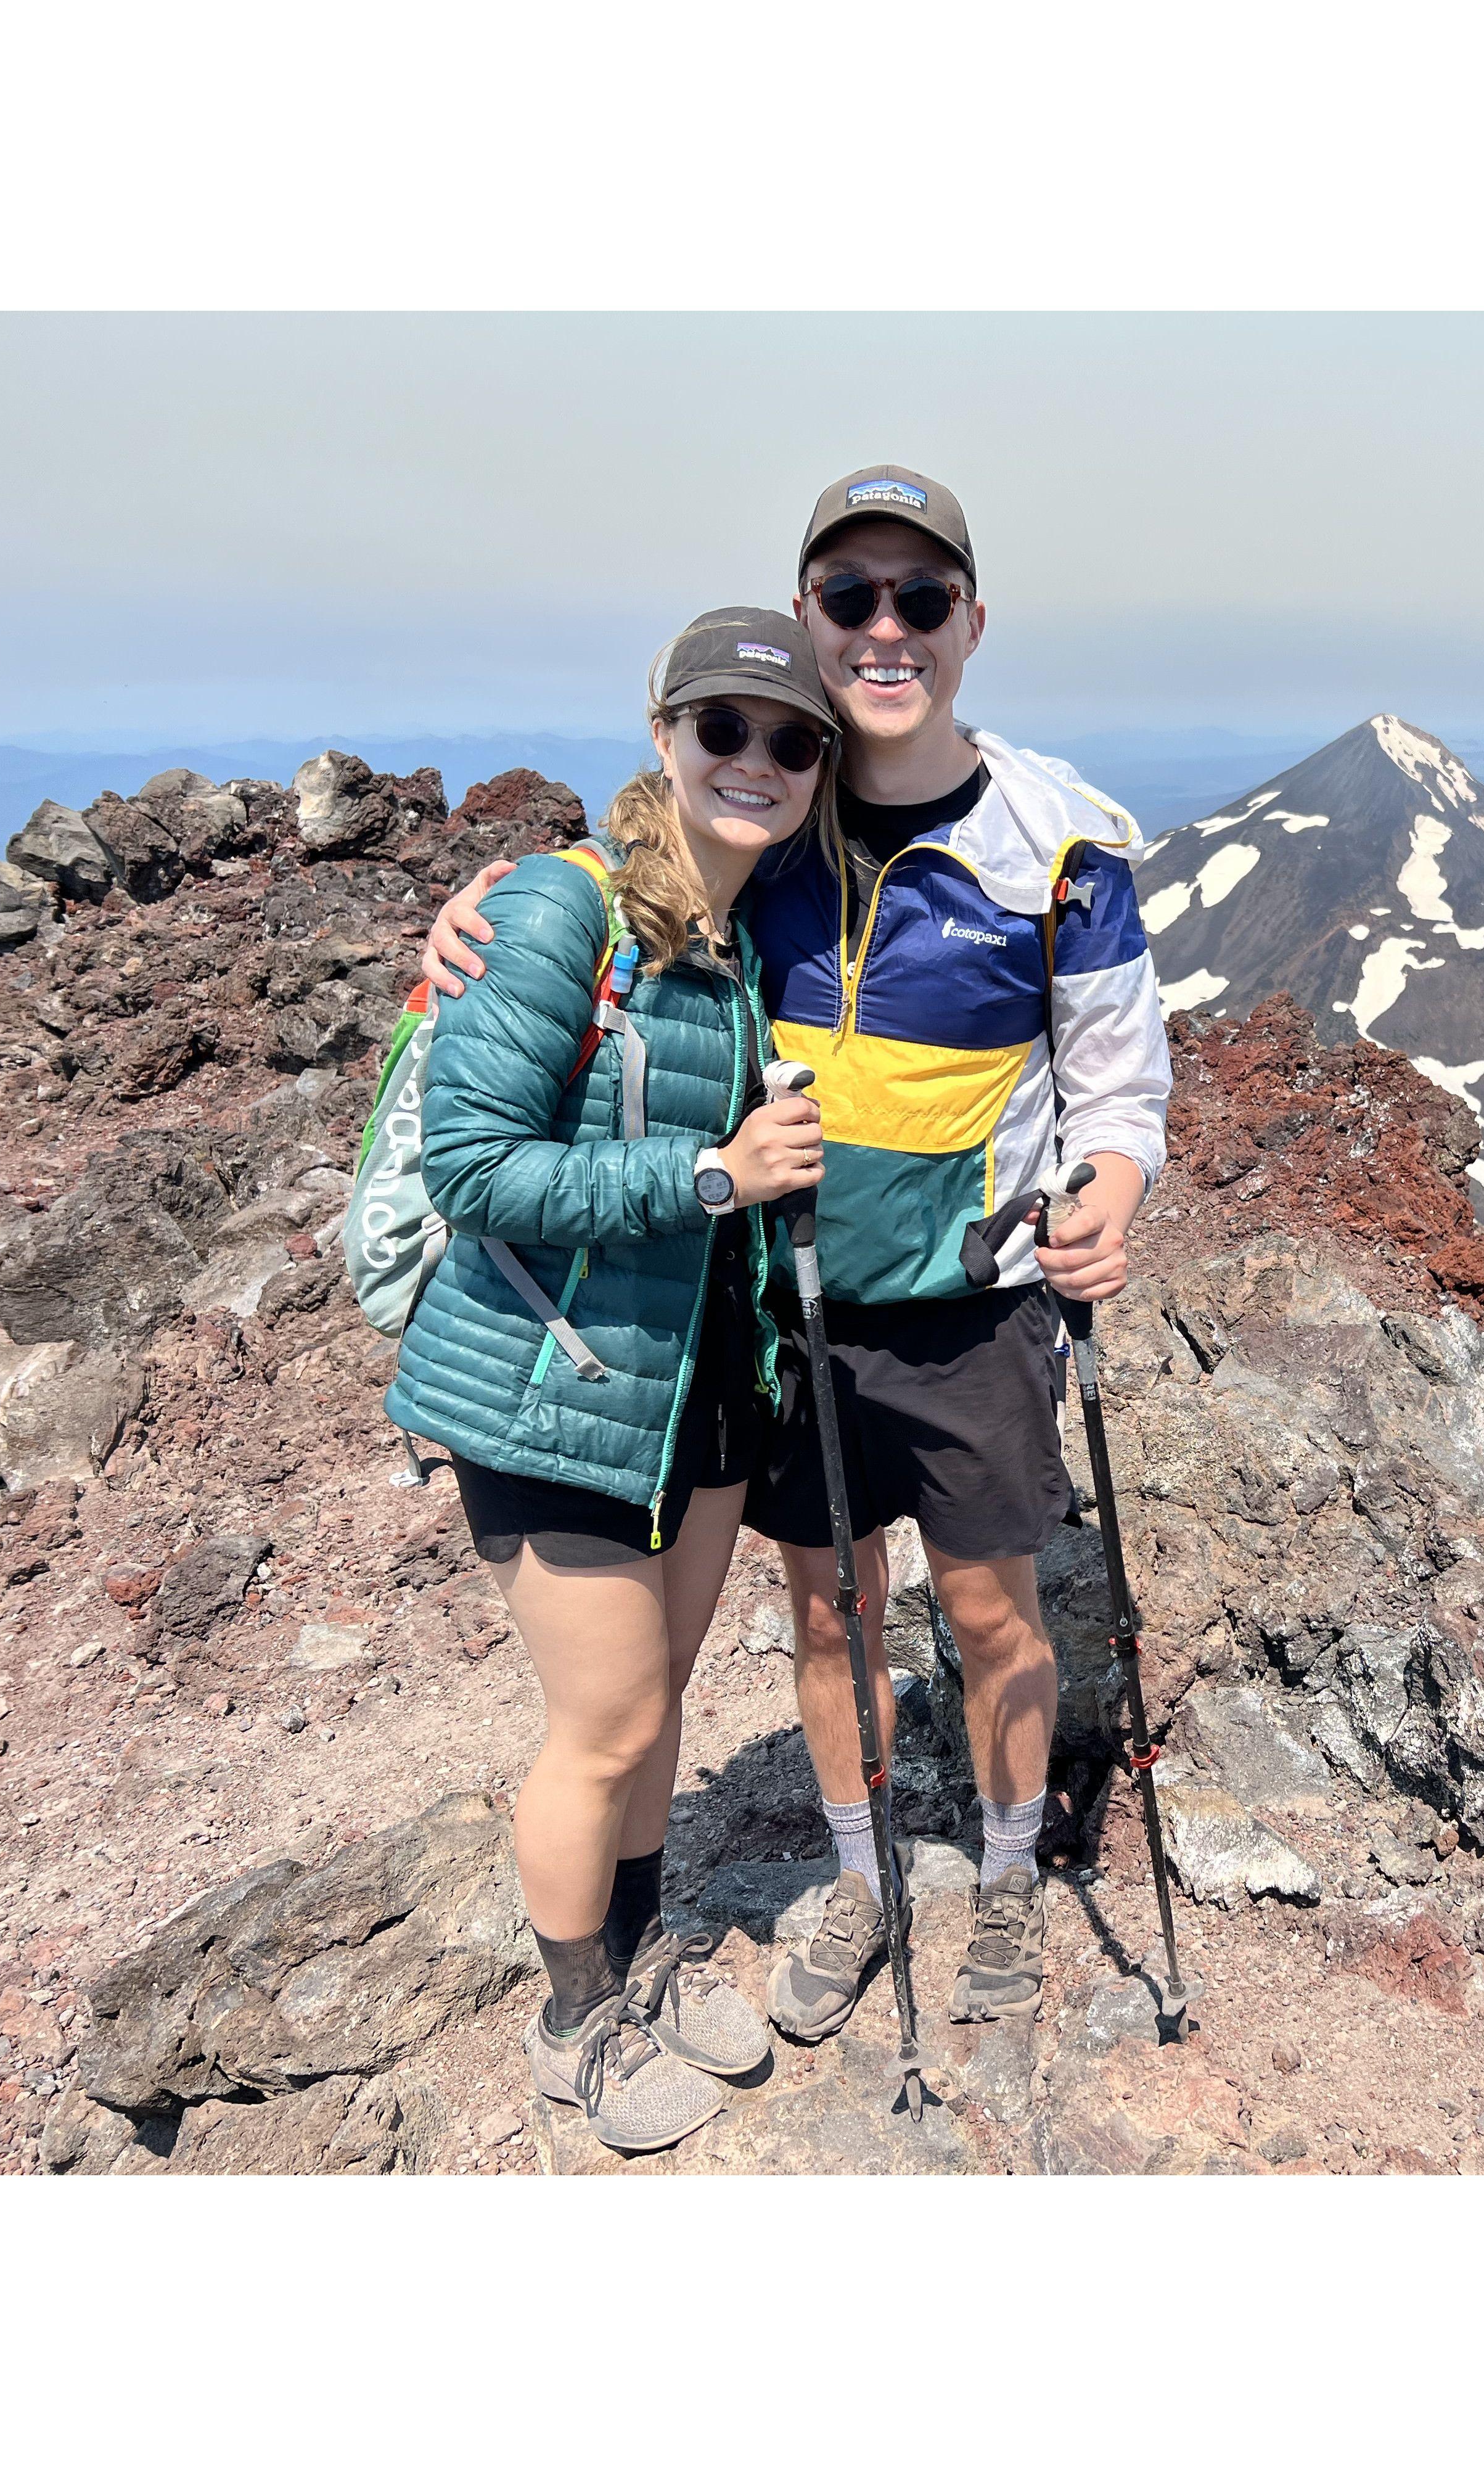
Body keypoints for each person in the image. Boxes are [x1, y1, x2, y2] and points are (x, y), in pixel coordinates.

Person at [419, 467, 1171, 2041]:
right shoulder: (777, 812)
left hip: (973, 1313)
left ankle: (1012, 1875)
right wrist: (477, 913)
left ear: (971, 622)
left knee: (990, 1614)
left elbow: (1118, 1079)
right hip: (790, 1306)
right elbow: (633, 882)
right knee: (828, 1614)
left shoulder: (1060, 842)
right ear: (813, 623)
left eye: (917, 599)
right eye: (849, 599)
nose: (883, 627)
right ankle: (859, 1878)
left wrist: (1111, 1184)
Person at [387, 610, 835, 2153]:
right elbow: (473, 1167)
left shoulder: (739, 938)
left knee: (651, 1726)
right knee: (607, 1722)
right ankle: (571, 2024)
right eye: (725, 730)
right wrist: (715, 1178)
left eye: (791, 741)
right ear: (664, 735)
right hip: (550, 1384)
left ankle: (636, 1967)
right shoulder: (559, 912)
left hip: (695, 1394)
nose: (757, 763)